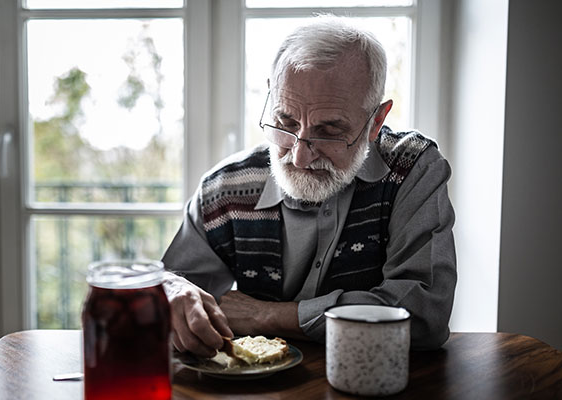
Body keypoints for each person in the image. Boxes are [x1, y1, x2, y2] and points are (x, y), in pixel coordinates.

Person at [161, 14, 456, 358]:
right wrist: (168, 289)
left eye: (329, 132)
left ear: (376, 121)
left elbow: (423, 317)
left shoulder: (412, 169)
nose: (299, 157)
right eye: (285, 122)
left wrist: (265, 315)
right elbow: (168, 289)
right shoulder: (225, 188)